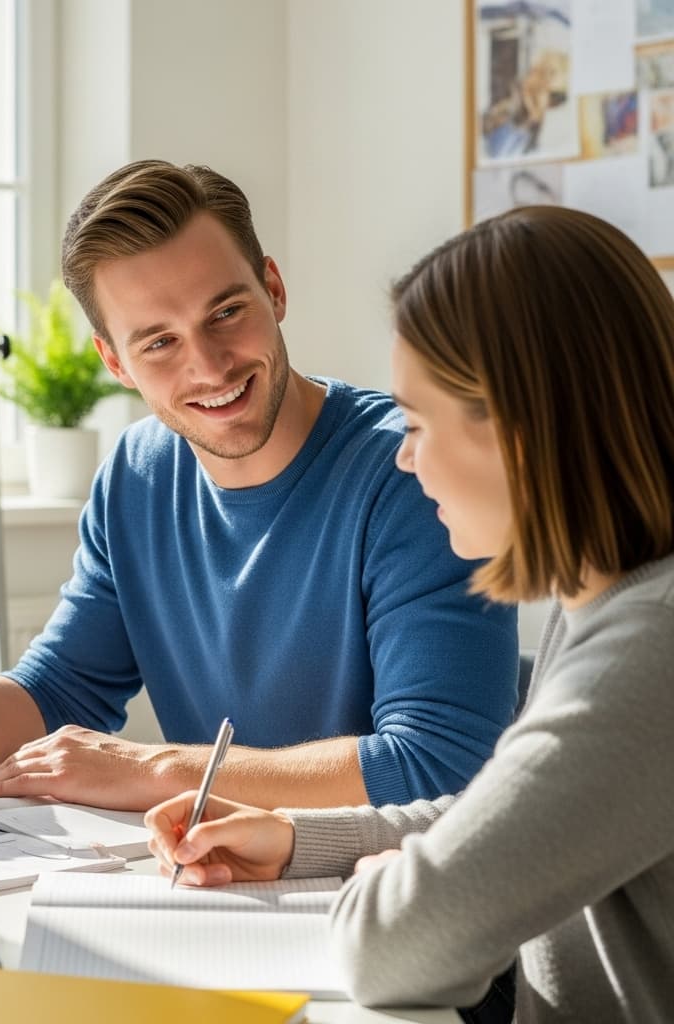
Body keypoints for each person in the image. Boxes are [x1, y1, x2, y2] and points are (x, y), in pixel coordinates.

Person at [0, 160, 517, 813]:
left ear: (273, 288)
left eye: (226, 311)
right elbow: (54, 699)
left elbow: (440, 763)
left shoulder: (412, 473)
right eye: (159, 342)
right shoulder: (136, 477)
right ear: (114, 362)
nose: (208, 365)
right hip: (227, 891)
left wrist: (156, 770)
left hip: (395, 918)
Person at [145, 205, 674, 1022]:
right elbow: (502, 816)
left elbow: (396, 950)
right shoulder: (607, 602)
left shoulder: (650, 650)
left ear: (523, 430)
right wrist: (296, 840)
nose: (403, 454)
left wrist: (384, 889)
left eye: (419, 422)